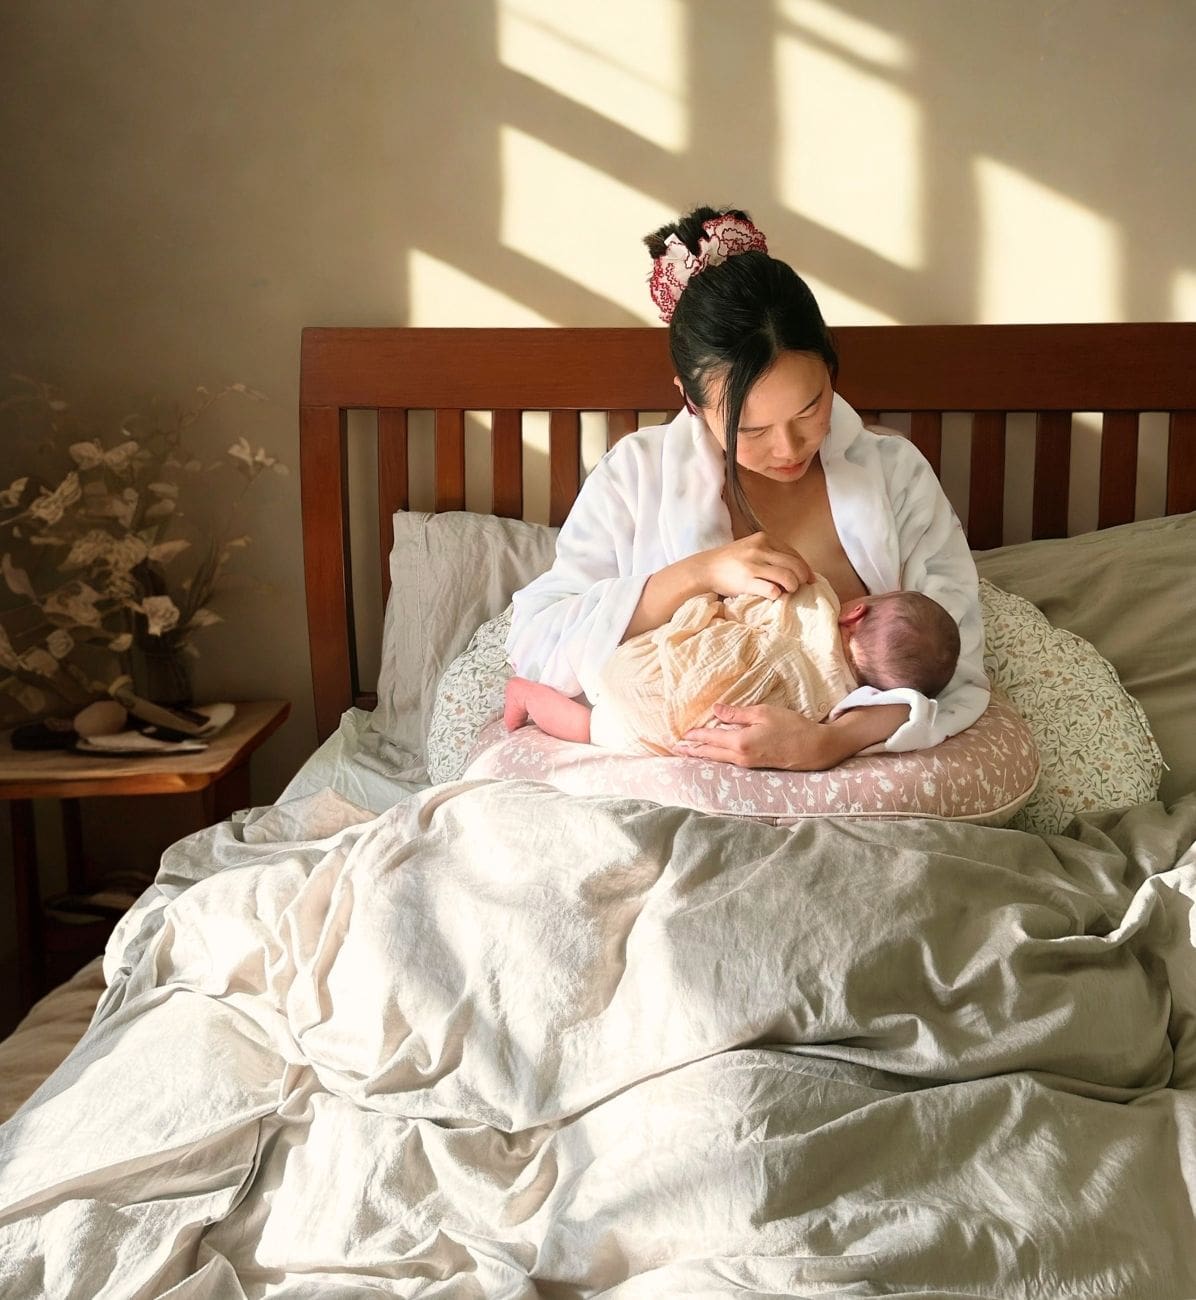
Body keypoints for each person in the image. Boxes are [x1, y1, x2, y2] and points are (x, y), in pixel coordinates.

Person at [505, 206, 989, 771]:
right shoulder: (634, 476)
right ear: (691, 402)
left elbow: (955, 662)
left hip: (848, 795)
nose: (788, 448)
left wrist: (830, 742)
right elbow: (538, 643)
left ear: (833, 371)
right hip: (667, 784)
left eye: (811, 409)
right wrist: (696, 575)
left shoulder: (895, 474)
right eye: (750, 430)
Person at [504, 581, 961, 755]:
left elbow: (740, 604)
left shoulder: (813, 598)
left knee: (696, 624)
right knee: (590, 727)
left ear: (855, 612)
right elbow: (911, 708)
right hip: (663, 731)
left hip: (638, 663)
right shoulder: (842, 698)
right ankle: (530, 697)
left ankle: (524, 693)